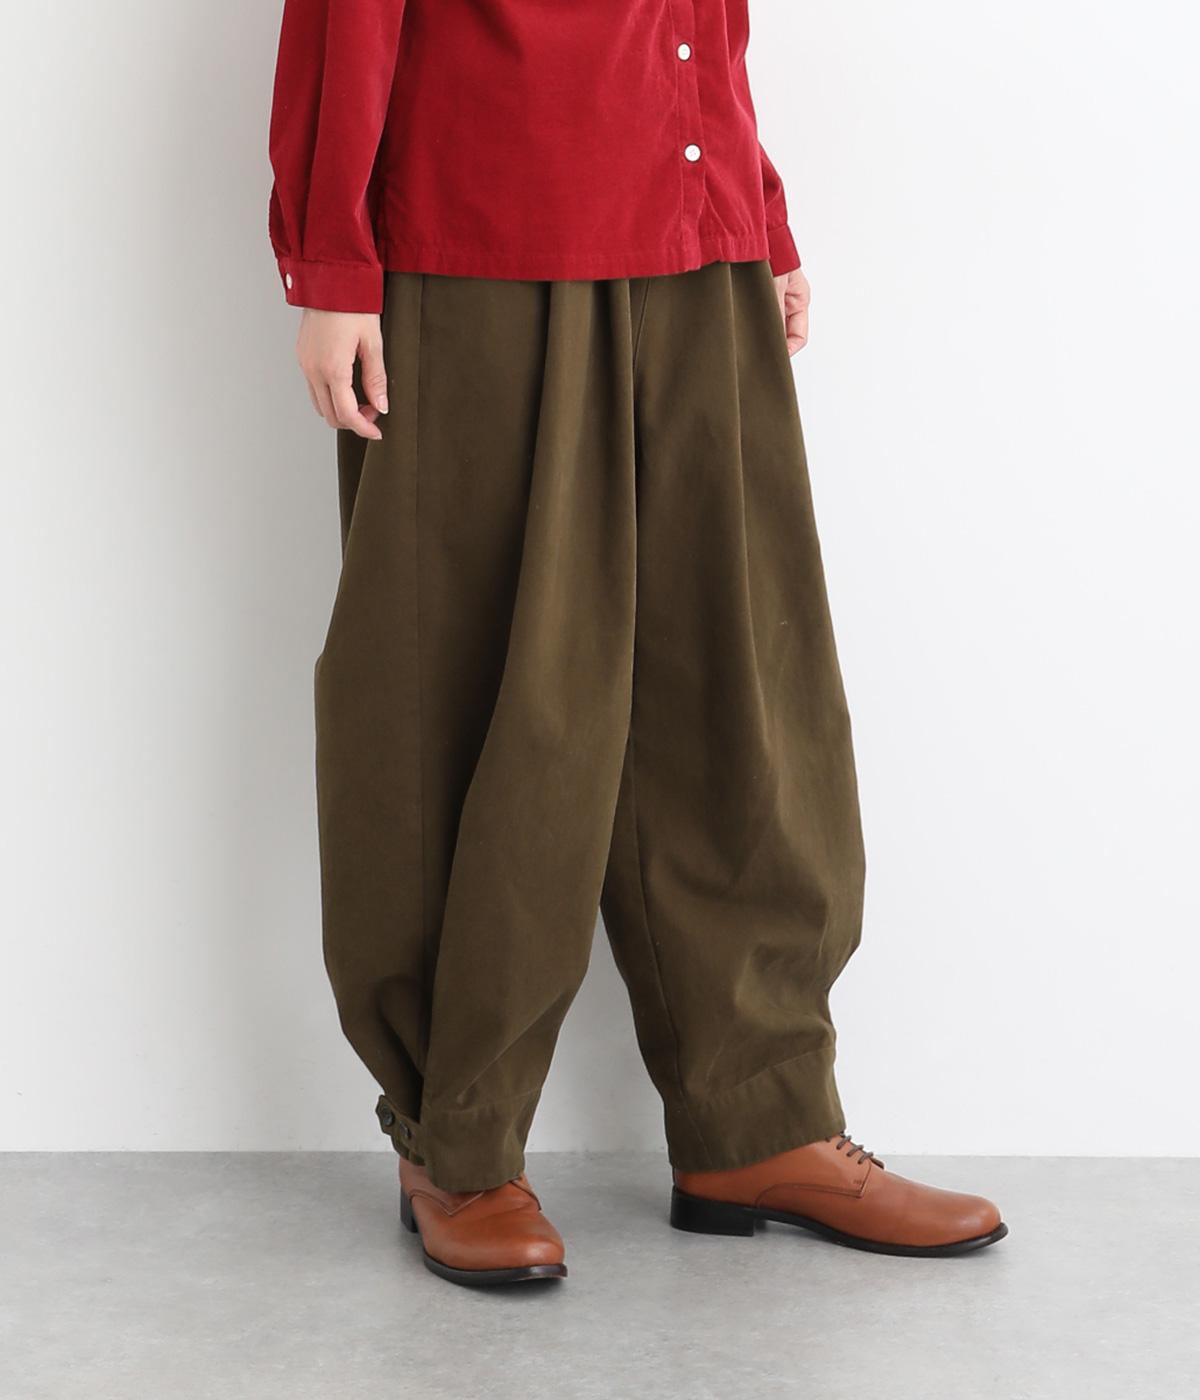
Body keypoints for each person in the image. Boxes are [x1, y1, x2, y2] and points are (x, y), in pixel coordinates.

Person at [267, 0, 1007, 1288]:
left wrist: (756, 212)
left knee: (739, 687)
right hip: (488, 240)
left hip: (695, 242)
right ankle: (458, 1141)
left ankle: (758, 1121)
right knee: (472, 694)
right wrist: (332, 264)